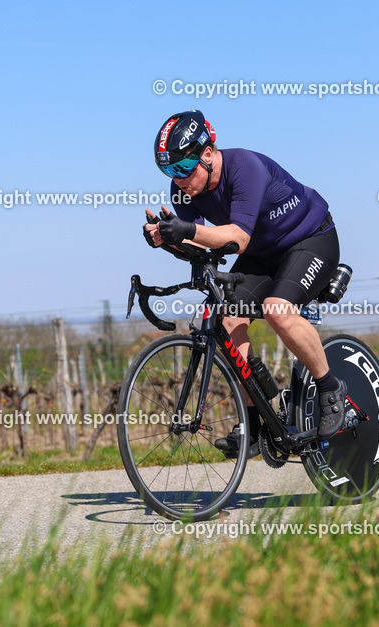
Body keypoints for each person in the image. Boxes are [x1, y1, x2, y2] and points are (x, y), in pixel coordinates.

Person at [143, 110, 353, 458]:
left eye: (183, 168)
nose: (177, 179)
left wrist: (187, 231)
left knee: (277, 310)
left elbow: (236, 239)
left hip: (310, 239)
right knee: (226, 321)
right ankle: (260, 417)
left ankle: (331, 390)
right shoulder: (184, 188)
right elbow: (198, 244)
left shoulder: (246, 167)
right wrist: (167, 239)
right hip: (263, 253)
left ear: (208, 154)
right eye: (169, 171)